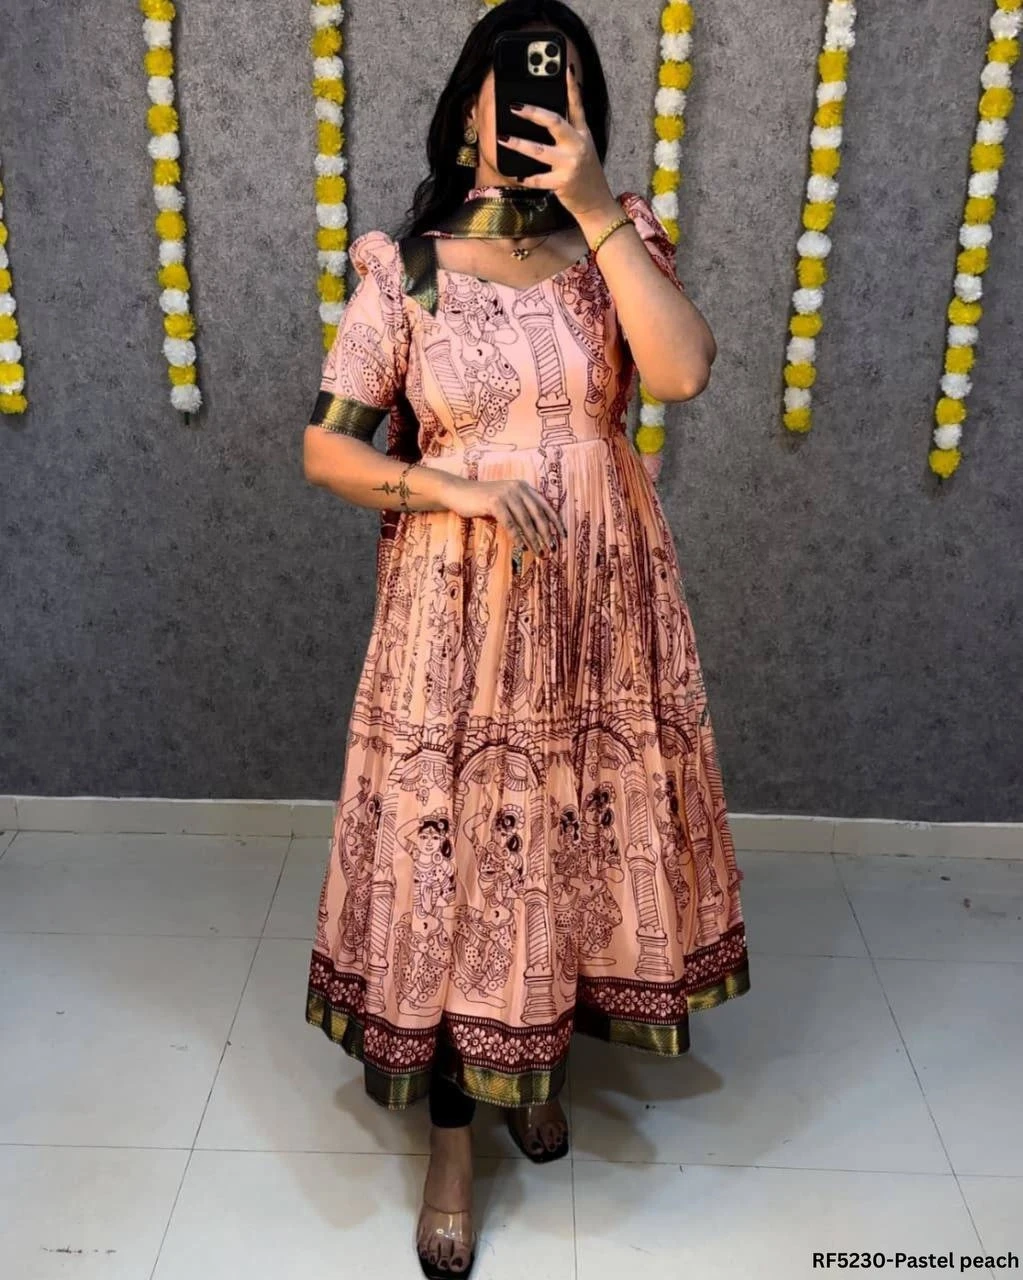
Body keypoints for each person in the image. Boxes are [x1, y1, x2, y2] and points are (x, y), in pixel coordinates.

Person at [302, 2, 751, 1275]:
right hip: (457, 611)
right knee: (459, 860)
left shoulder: (618, 243)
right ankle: (453, 1143)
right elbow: (326, 447)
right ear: (468, 110)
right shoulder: (408, 269)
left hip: (601, 605)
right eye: (517, 88)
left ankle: (533, 1058)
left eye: (568, 91)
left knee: (568, 839)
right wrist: (454, 487)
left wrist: (599, 207)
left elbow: (682, 372)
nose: (543, 108)